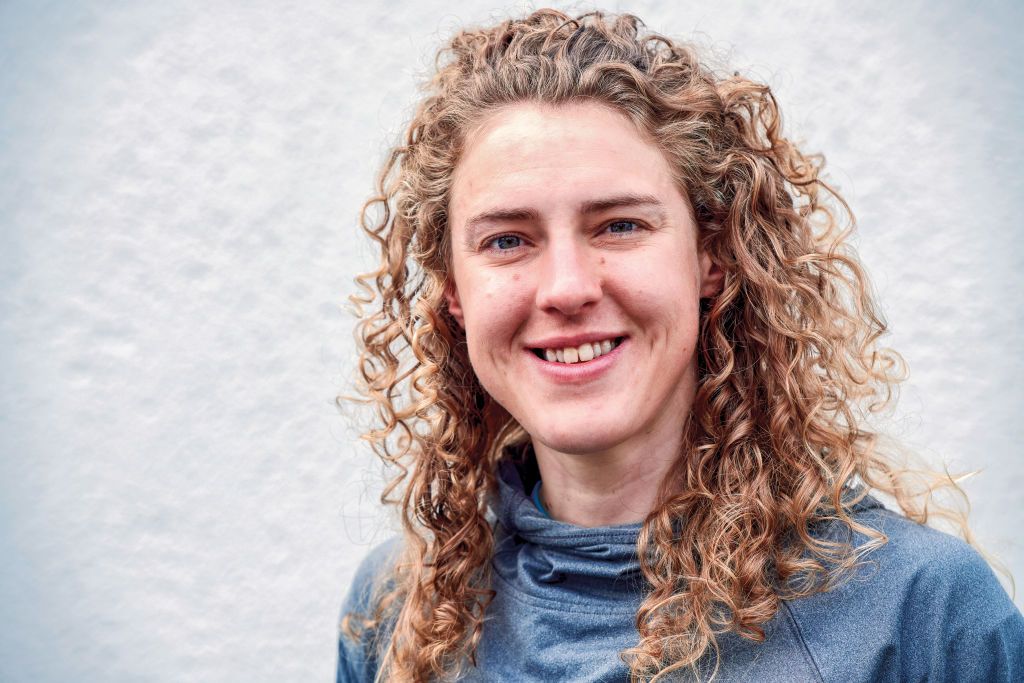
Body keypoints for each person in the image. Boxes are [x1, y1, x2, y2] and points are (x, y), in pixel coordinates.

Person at [337, 9, 1024, 682]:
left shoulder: (918, 614)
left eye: (620, 225)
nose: (566, 288)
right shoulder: (402, 613)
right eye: (507, 240)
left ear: (711, 255)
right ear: (453, 287)